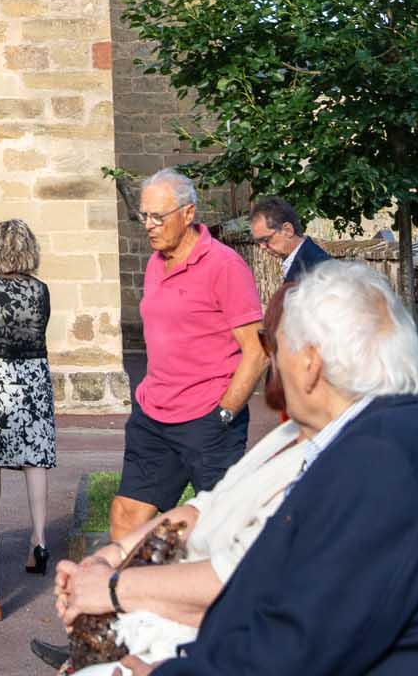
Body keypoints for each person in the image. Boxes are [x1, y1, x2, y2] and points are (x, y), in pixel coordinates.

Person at [143, 263, 418, 676]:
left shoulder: (379, 462)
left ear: (310, 364)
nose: (275, 367)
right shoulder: (400, 434)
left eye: (278, 351)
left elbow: (296, 650)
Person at [35, 284, 307, 673]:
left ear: (311, 359)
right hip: (159, 416)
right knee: (129, 512)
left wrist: (113, 592)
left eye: (271, 343)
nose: (266, 357)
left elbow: (244, 581)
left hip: (215, 653)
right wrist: (104, 560)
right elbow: (203, 509)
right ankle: (99, 642)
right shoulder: (289, 439)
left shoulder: (346, 457)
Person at [114, 171, 266, 548]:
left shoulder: (224, 265)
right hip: (154, 416)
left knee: (218, 529)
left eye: (157, 217)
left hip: (208, 421)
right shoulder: (155, 262)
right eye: (143, 216)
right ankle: (123, 603)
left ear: (188, 213)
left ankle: (223, 603)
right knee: (126, 514)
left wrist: (225, 414)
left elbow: (257, 350)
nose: (148, 226)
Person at [0, 217, 58, 574]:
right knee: (36, 459)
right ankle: (39, 539)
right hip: (33, 376)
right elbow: (40, 327)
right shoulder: (41, 291)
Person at [248, 197, 332, 283]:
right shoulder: (302, 261)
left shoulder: (318, 267)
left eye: (265, 239)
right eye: (258, 242)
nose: (262, 246)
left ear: (288, 230)